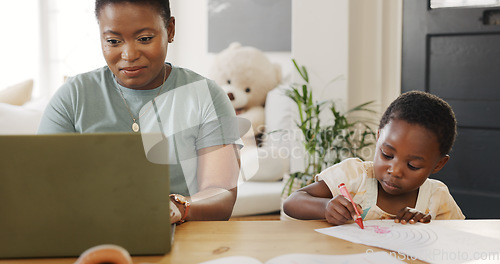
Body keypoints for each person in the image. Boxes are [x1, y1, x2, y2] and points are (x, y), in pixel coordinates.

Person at [38, 0, 242, 223]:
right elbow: (44, 185)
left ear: (170, 30)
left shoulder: (206, 95)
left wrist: (178, 207)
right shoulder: (73, 96)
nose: (129, 54)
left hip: (181, 233)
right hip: (88, 231)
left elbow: (221, 193)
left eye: (144, 39)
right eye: (113, 41)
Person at [283, 91, 465, 225]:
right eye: (387, 154)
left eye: (412, 165)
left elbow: (460, 238)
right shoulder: (354, 176)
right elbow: (292, 202)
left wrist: (429, 226)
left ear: (438, 164)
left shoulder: (437, 198)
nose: (395, 170)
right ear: (378, 138)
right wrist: (325, 207)